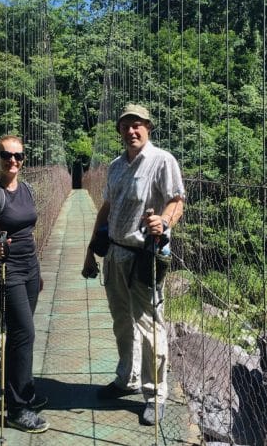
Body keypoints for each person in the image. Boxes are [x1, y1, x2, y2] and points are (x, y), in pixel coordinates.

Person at [82, 104, 184, 426]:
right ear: (120, 131)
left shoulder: (162, 160)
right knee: (121, 323)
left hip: (144, 257)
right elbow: (107, 208)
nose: (131, 131)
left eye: (137, 125)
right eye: (126, 126)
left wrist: (164, 223)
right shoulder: (114, 166)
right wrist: (90, 249)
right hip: (114, 254)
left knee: (150, 327)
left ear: (148, 128)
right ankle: (126, 378)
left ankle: (155, 394)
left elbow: (177, 200)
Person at [0, 135, 49, 434]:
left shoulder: (27, 189)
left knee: (22, 334)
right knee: (24, 333)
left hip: (30, 269)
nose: (12, 160)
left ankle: (22, 392)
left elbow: (29, 230)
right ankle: (17, 409)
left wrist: (38, 271)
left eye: (18, 155)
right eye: (6, 155)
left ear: (24, 159)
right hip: (7, 272)